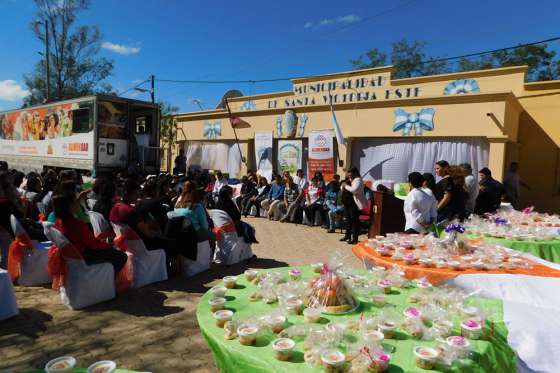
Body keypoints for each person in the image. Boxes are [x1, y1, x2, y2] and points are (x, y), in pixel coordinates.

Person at [53, 195, 127, 275]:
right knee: (121, 256)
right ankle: (106, 280)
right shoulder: (76, 224)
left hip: (72, 254)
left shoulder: (58, 222)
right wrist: (109, 244)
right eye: (76, 202)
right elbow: (93, 245)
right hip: (83, 254)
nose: (78, 204)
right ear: (70, 206)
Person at [110, 179, 178, 263]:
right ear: (127, 194)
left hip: (126, 243)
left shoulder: (115, 207)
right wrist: (157, 233)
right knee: (172, 243)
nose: (138, 196)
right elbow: (148, 234)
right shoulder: (129, 211)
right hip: (140, 245)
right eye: (136, 194)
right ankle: (170, 269)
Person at [341, 167, 367, 245]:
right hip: (347, 204)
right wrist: (343, 186)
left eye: (350, 174)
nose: (349, 176)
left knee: (354, 222)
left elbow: (354, 190)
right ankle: (347, 236)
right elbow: (342, 186)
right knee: (348, 221)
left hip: (354, 204)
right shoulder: (350, 180)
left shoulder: (358, 180)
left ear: (355, 173)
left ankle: (354, 239)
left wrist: (345, 186)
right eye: (348, 174)